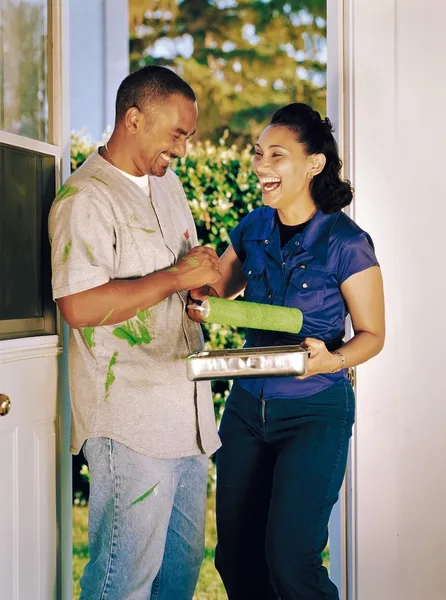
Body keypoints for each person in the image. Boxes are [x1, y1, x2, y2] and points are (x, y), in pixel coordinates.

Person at [187, 103, 385, 600]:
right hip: (247, 409)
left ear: (314, 163)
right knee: (235, 557)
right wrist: (201, 302)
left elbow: (372, 334)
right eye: (258, 154)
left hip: (315, 409)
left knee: (291, 560)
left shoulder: (347, 242)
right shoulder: (254, 226)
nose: (261, 166)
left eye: (277, 155)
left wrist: (332, 359)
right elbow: (222, 291)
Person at [49, 66, 222, 600]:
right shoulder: (86, 200)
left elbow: (183, 273)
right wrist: (174, 277)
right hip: (130, 424)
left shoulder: (167, 186)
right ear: (133, 118)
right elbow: (78, 306)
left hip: (187, 416)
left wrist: (199, 291)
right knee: (122, 580)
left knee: (179, 574)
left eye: (189, 137)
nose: (184, 150)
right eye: (177, 134)